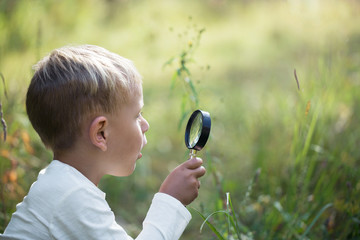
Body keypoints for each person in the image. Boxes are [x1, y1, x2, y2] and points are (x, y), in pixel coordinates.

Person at [1, 45, 206, 239]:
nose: (146, 125)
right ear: (101, 134)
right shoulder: (72, 196)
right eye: (137, 115)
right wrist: (171, 200)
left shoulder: (61, 184)